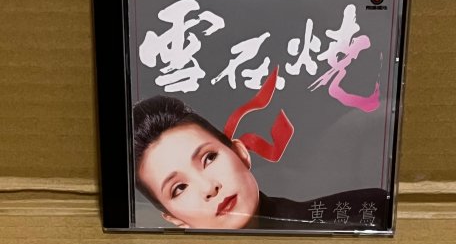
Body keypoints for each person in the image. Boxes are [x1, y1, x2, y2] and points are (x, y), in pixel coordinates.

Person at [133, 95, 388, 231]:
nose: (209, 188)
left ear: (240, 152)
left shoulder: (367, 213)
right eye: (179, 188)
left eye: (209, 158)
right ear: (173, 218)